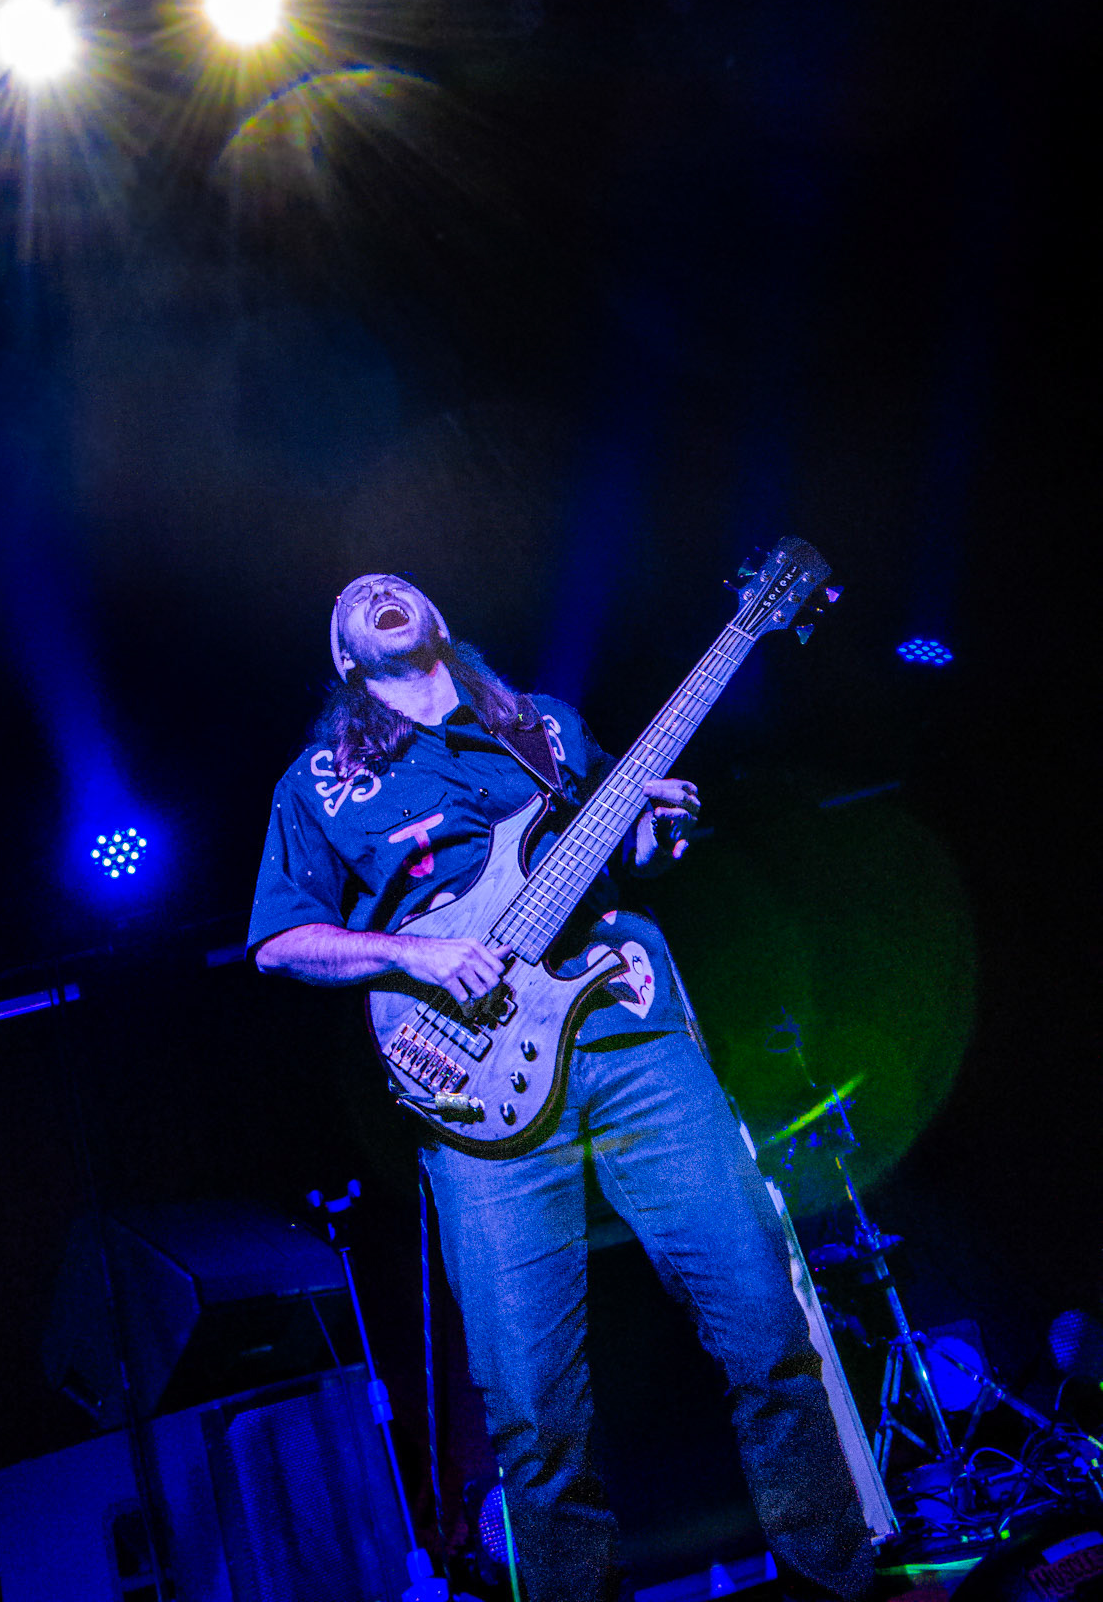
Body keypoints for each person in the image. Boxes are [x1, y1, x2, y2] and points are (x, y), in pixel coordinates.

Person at [248, 572, 875, 1602]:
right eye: (357, 597)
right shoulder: (318, 782)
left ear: (441, 621)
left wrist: (655, 833)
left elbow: (626, 855)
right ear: (345, 658)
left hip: (631, 1039)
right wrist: (416, 955)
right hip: (471, 1089)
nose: (380, 586)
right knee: (532, 1412)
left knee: (767, 1327)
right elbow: (282, 942)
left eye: (400, 583)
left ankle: (836, 1582)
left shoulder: (543, 726)